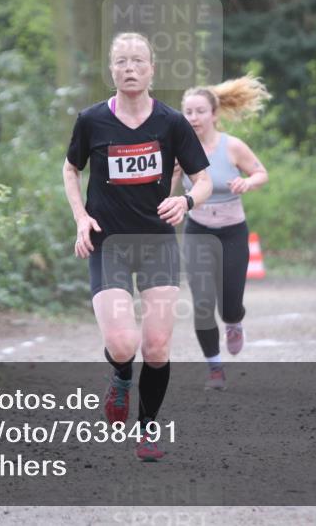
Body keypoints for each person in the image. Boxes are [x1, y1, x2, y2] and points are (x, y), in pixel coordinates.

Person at [62, 32, 212, 461]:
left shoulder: (171, 123)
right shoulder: (91, 120)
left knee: (158, 347)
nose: (130, 68)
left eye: (138, 61)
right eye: (122, 62)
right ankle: (120, 377)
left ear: (152, 70)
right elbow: (71, 169)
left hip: (157, 244)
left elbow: (204, 181)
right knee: (125, 345)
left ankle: (147, 431)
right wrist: (80, 219)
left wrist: (184, 201)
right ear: (111, 70)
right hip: (108, 242)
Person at [172, 75, 270, 391]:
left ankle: (235, 321)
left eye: (200, 111)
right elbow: (168, 192)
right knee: (202, 302)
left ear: (214, 114)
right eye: (188, 111)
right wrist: (171, 180)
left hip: (232, 232)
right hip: (198, 230)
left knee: (229, 303)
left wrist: (247, 183)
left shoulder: (232, 147)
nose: (193, 117)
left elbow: (261, 173)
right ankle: (214, 368)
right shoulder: (179, 150)